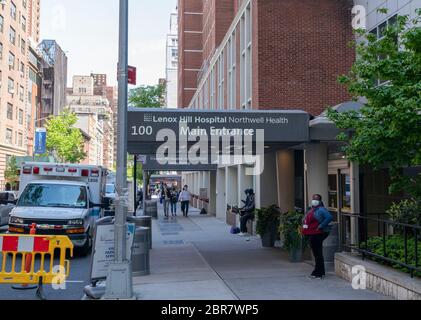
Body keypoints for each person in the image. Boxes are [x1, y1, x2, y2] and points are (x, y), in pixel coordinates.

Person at [302, 194, 333, 279]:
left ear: (320, 201)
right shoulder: (312, 209)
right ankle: (320, 272)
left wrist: (321, 225)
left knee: (317, 253)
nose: (314, 200)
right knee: (317, 253)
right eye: (313, 199)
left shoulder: (321, 209)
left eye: (316, 199)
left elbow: (329, 217)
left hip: (318, 233)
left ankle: (317, 273)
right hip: (312, 233)